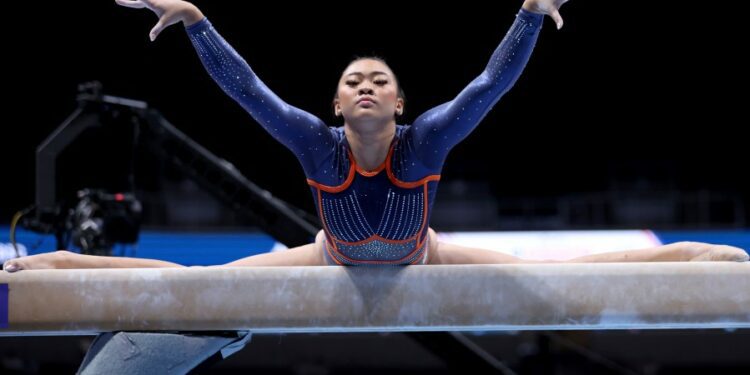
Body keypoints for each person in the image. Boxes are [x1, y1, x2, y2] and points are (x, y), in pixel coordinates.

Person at [3, 0, 747, 273]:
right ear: (335, 102)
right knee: (195, 283)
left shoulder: (422, 144)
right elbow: (246, 91)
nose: (366, 85)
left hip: (426, 255)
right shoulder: (314, 144)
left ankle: (713, 256)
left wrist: (526, 16)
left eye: (380, 80)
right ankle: (57, 262)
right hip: (331, 256)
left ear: (398, 104)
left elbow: (488, 88)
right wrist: (197, 19)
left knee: (581, 273)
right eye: (354, 79)